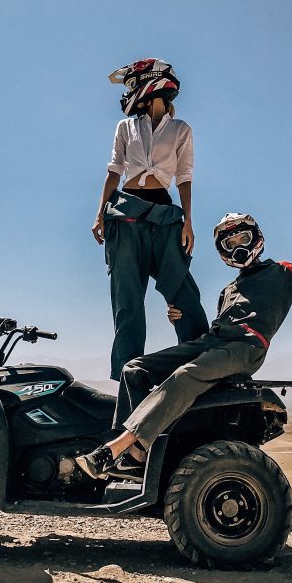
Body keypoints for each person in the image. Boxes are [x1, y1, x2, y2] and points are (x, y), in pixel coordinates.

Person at [76, 212, 292, 479]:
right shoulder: (227, 290)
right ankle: (134, 458)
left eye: (242, 237)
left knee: (186, 375)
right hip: (214, 343)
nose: (238, 246)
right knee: (134, 369)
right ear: (223, 252)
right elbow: (209, 334)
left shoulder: (285, 274)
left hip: (246, 347)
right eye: (229, 243)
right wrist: (178, 317)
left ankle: (114, 449)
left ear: (256, 237)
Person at [93, 58, 210, 381]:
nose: (128, 93)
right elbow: (114, 171)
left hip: (164, 218)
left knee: (184, 294)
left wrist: (188, 222)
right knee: (128, 303)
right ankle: (129, 380)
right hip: (125, 216)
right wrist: (99, 214)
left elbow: (184, 177)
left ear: (152, 83)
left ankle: (202, 371)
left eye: (133, 85)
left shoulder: (180, 129)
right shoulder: (125, 127)